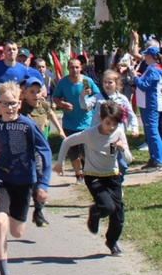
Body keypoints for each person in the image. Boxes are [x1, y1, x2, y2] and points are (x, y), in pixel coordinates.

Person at [0, 82, 51, 275]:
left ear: (19, 104)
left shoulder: (28, 125)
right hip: (2, 177)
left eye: (12, 104)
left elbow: (45, 151)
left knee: (17, 232)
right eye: (4, 104)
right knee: (0, 222)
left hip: (25, 180)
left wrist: (43, 183)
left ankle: (25, 214)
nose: (9, 108)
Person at [53, 101, 132, 256]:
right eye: (108, 123)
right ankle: (95, 212)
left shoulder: (119, 133)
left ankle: (112, 241)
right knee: (107, 207)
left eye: (115, 124)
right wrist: (59, 163)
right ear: (101, 119)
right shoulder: (90, 134)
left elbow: (128, 160)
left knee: (118, 214)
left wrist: (123, 148)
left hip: (113, 176)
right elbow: (67, 141)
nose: (111, 127)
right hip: (93, 176)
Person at [19, 77, 65, 227]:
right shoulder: (21, 108)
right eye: (32, 92)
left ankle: (38, 211)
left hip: (40, 147)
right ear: (24, 93)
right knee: (29, 179)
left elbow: (52, 115)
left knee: (41, 175)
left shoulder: (44, 105)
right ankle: (24, 208)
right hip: (24, 149)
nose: (35, 95)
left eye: (38, 92)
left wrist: (61, 131)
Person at [53, 58, 101, 183]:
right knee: (73, 152)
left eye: (77, 67)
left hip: (86, 122)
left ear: (81, 68)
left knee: (86, 151)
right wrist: (62, 104)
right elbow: (55, 98)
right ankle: (78, 174)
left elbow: (98, 95)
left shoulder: (87, 81)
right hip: (70, 122)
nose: (74, 70)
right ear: (68, 68)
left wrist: (90, 103)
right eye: (72, 67)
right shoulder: (63, 83)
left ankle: (86, 172)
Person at [133, 46, 162, 170]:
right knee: (150, 132)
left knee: (153, 132)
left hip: (151, 104)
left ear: (150, 56)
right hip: (147, 104)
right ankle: (154, 158)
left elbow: (144, 86)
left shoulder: (154, 70)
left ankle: (158, 160)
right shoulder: (152, 68)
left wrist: (135, 77)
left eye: (145, 55)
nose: (144, 57)